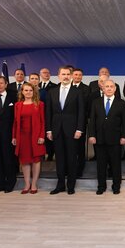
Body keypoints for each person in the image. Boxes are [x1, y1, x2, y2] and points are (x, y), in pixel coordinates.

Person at [46, 66, 85, 195]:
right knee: (60, 159)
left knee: (72, 158)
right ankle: (60, 185)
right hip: (56, 130)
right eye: (63, 74)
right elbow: (48, 112)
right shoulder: (52, 91)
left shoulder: (77, 91)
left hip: (72, 130)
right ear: (58, 76)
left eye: (68, 74)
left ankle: (71, 185)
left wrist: (79, 129)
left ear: (72, 75)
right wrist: (49, 130)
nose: (66, 76)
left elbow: (81, 112)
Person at [88, 80, 125, 195]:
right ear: (102, 88)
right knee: (101, 164)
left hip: (115, 139)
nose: (109, 88)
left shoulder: (122, 103)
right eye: (107, 86)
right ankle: (101, 186)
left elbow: (124, 122)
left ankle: (116, 186)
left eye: (111, 86)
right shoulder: (96, 102)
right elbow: (92, 121)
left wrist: (124, 136)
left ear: (115, 89)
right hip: (99, 139)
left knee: (116, 164)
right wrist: (91, 135)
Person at [12, 83, 46, 194]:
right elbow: (15, 123)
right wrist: (14, 136)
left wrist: (42, 135)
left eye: (30, 90)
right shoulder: (18, 105)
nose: (28, 92)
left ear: (34, 92)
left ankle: (34, 184)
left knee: (36, 160)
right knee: (25, 161)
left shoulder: (39, 104)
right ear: (22, 92)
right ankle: (27, 184)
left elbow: (42, 122)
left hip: (35, 136)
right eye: (26, 90)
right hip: (22, 137)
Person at [72, 68, 90, 176]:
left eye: (80, 75)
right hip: (68, 122)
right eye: (76, 74)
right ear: (72, 75)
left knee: (80, 147)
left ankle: (80, 169)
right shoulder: (67, 88)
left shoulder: (86, 89)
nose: (78, 76)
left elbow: (86, 106)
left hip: (81, 122)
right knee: (70, 147)